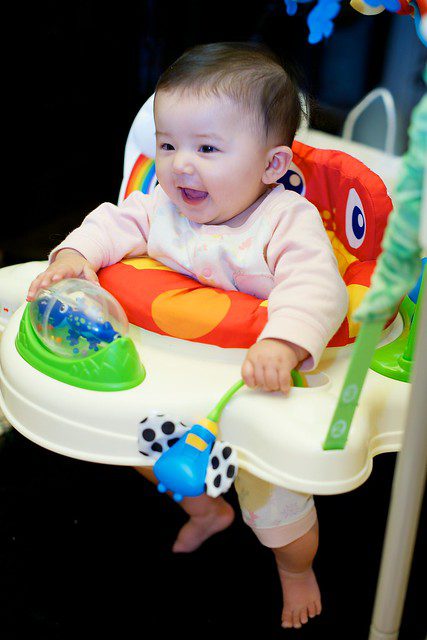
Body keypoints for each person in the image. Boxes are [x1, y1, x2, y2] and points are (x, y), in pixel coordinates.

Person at [27, 42, 348, 629]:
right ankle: (206, 511)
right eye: (169, 144)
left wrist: (284, 343)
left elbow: (316, 288)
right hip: (176, 382)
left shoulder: (284, 221)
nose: (179, 165)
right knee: (143, 452)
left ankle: (295, 572)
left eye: (206, 148)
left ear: (272, 166)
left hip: (252, 391)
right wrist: (74, 255)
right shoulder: (166, 206)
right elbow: (114, 221)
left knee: (277, 515)